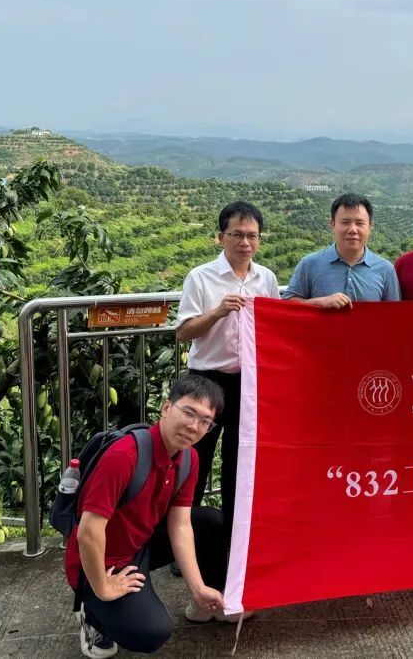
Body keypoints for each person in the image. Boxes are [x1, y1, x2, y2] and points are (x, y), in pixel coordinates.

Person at [65, 374, 229, 657]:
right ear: (166, 408)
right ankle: (93, 616)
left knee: (211, 523)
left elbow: (180, 526)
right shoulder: (124, 455)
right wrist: (103, 588)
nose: (194, 426)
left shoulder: (188, 458)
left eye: (205, 421)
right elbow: (88, 533)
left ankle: (205, 604)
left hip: (141, 542)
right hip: (103, 559)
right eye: (189, 413)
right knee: (150, 632)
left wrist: (197, 587)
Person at [174, 201, 280, 582]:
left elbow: (275, 325)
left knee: (241, 462)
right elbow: (183, 332)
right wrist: (217, 312)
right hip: (206, 381)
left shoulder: (266, 278)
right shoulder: (201, 277)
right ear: (221, 237)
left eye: (252, 235)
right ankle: (180, 546)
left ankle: (234, 544)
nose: (245, 242)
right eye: (237, 234)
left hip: (248, 383)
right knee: (193, 462)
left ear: (260, 239)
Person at [283, 193, 400, 306]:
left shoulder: (385, 270)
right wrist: (320, 302)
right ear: (333, 224)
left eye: (359, 223)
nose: (352, 230)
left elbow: (394, 314)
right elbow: (287, 305)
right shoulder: (309, 264)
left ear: (370, 227)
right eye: (345, 222)